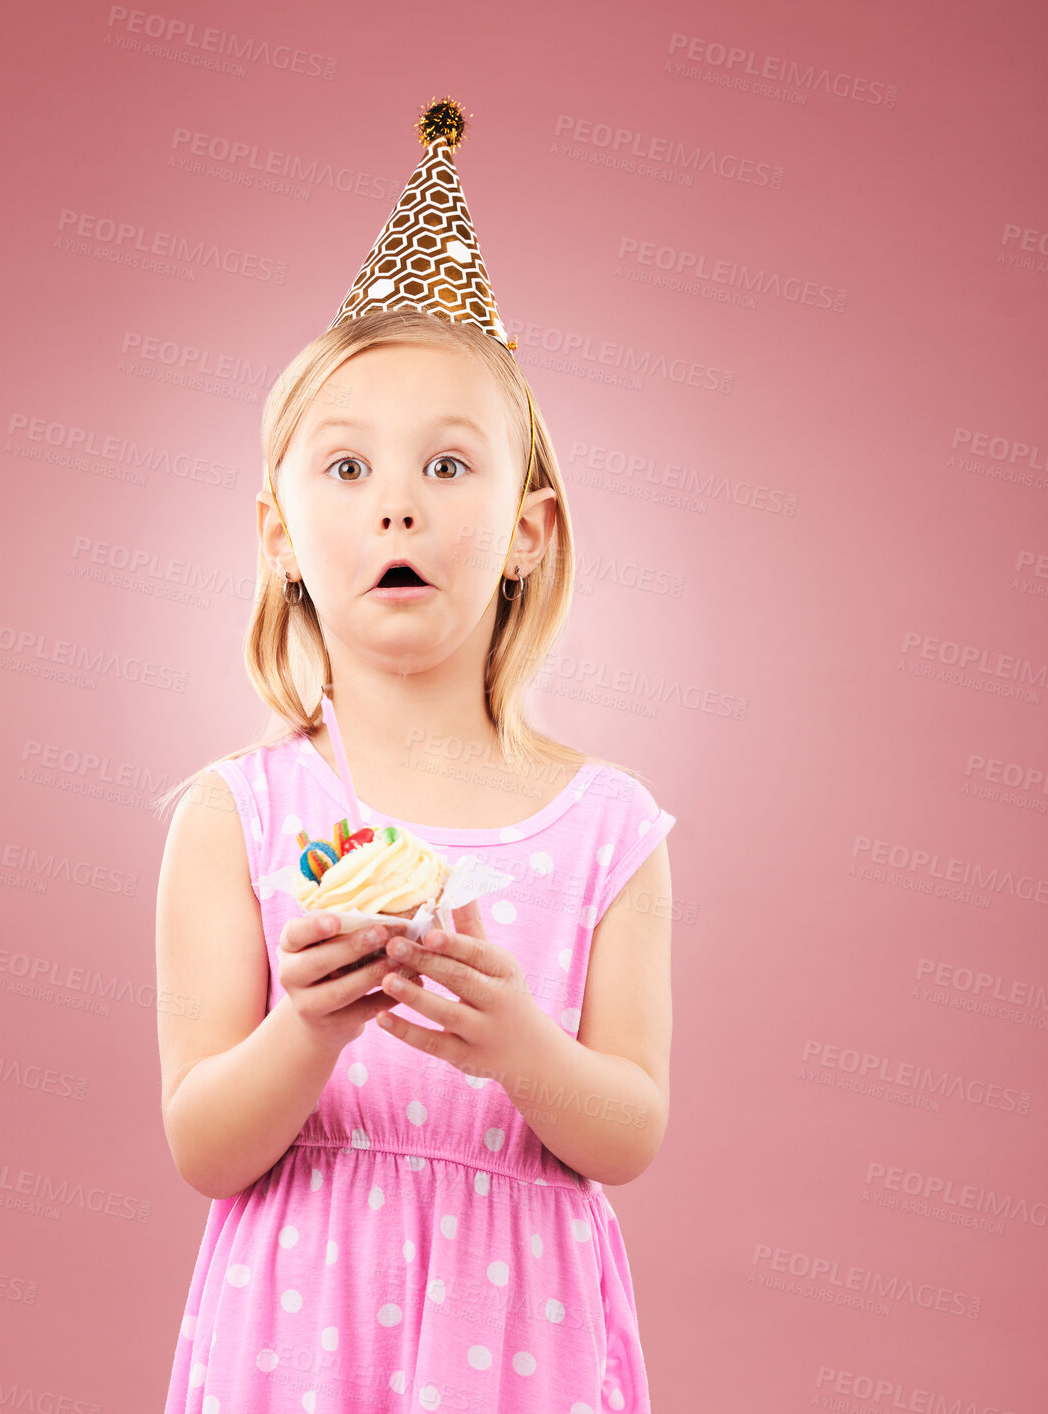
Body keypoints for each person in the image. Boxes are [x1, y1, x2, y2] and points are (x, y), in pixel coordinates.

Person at [154, 98, 677, 1413]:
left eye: (450, 465)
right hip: (294, 1328)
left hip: (520, 1340)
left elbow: (629, 1128)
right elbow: (205, 1145)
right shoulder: (240, 815)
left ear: (526, 529)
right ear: (277, 531)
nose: (396, 499)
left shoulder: (606, 828)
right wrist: (307, 1025)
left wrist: (519, 1045)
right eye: (345, 469)